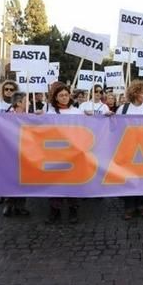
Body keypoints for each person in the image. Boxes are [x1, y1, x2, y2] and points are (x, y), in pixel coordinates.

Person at [45, 83, 84, 224]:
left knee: (72, 183)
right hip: (55, 154)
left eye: (66, 95)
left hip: (73, 154)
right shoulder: (49, 113)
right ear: (55, 97)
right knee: (55, 183)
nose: (64, 98)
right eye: (61, 95)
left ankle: (73, 210)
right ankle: (54, 210)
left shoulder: (77, 112)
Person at [117, 80, 143, 220]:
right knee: (129, 177)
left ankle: (141, 204)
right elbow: (116, 126)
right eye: (142, 92)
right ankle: (129, 206)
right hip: (128, 148)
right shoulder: (123, 109)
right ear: (135, 93)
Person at [1, 92, 31, 217]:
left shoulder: (30, 116)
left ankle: (20, 205)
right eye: (27, 100)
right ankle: (9, 204)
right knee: (11, 178)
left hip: (25, 153)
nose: (29, 102)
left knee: (23, 180)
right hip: (10, 152)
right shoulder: (7, 116)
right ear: (19, 103)